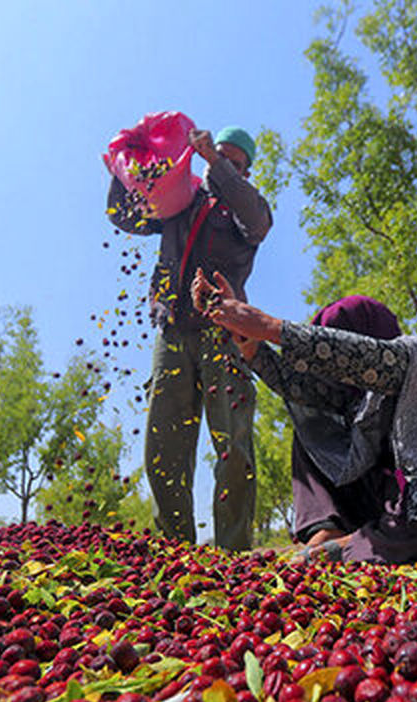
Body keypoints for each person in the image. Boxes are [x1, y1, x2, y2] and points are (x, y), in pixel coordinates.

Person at [191, 272, 417, 564]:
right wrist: (247, 339)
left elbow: (362, 359)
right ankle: (328, 531)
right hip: (380, 505)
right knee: (312, 422)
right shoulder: (353, 398)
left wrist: (270, 327)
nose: (335, 379)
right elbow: (299, 387)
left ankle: (348, 547)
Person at [106, 126, 271, 551]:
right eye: (220, 156)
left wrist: (217, 166)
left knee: (232, 446)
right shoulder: (182, 201)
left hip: (225, 334)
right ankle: (176, 554)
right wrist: (123, 168)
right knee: (164, 447)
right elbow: (129, 215)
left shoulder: (246, 209)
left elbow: (256, 222)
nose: (225, 165)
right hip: (174, 332)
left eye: (236, 163)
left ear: (245, 172)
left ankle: (234, 555)